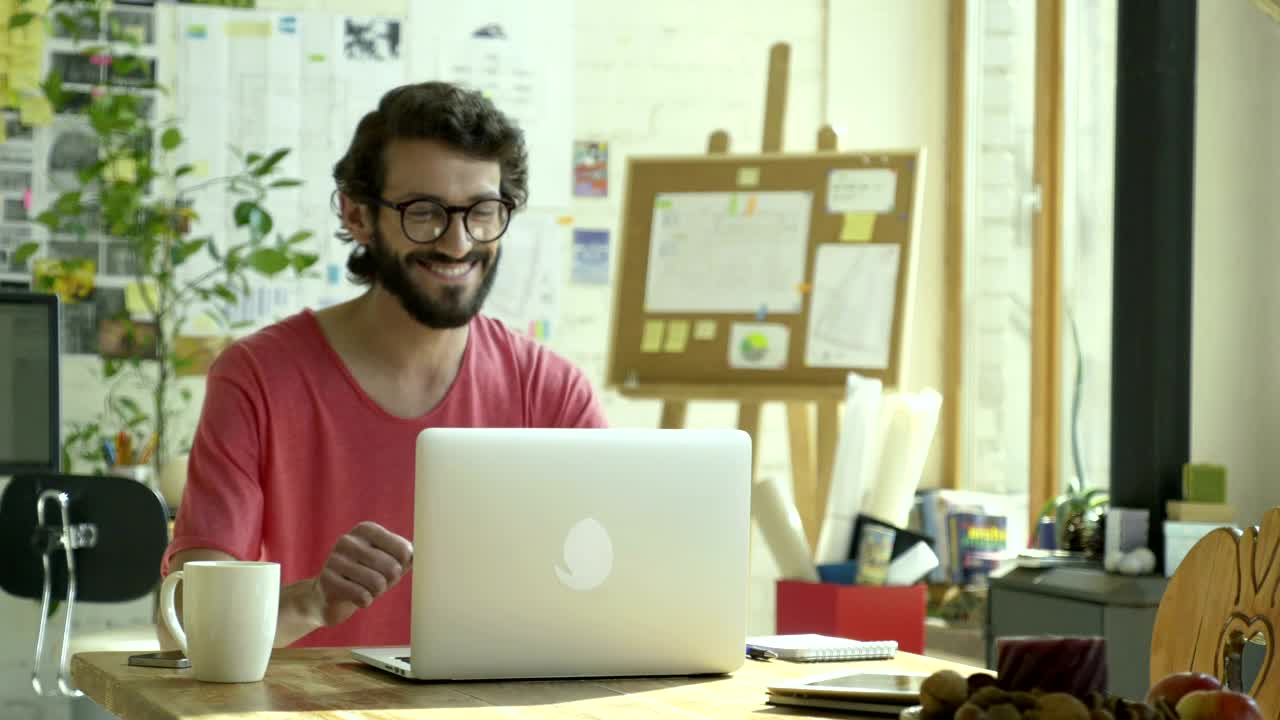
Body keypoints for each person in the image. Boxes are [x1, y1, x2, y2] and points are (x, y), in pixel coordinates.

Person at [160, 82, 607, 649]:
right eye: (424, 212)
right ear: (358, 215)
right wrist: (310, 601)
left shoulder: (553, 392)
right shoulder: (257, 378)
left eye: (483, 211)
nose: (457, 242)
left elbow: (616, 592)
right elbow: (182, 627)